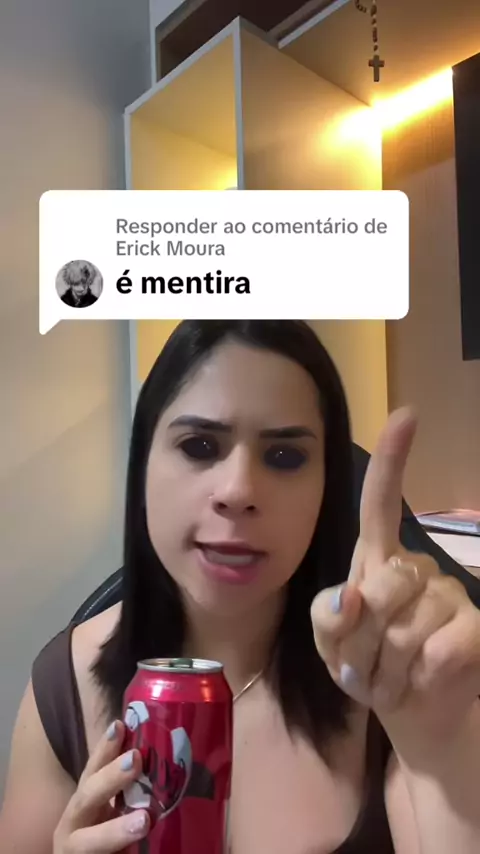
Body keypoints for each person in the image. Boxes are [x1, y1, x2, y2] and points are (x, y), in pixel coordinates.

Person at [1, 320, 479, 854]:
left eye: (284, 456)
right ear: (143, 467)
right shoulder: (62, 688)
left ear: (327, 487)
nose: (238, 490)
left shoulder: (387, 680)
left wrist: (441, 744)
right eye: (199, 445)